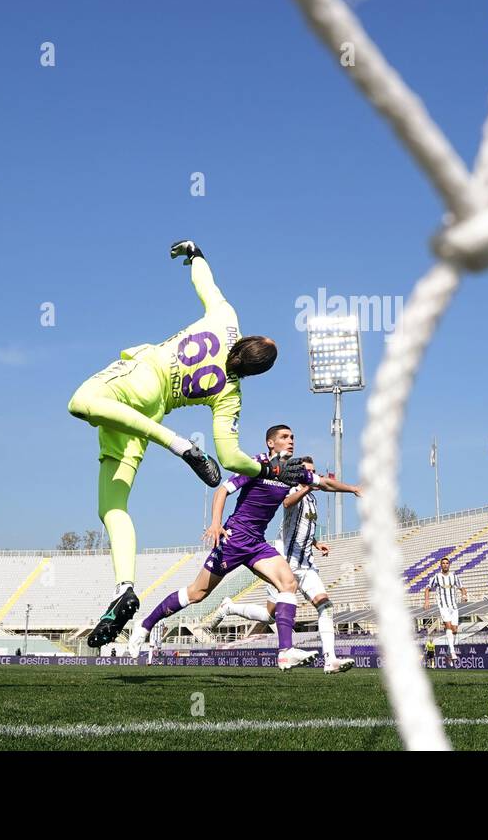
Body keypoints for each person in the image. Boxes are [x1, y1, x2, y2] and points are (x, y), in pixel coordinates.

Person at [68, 241, 285, 647]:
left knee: (80, 402)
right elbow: (230, 457)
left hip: (141, 379)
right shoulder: (231, 394)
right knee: (112, 506)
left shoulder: (226, 321)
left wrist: (196, 255)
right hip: (149, 414)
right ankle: (124, 587)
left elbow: (206, 282)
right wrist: (268, 469)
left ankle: (178, 445)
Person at [129, 425, 355, 669]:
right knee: (197, 593)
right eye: (284, 437)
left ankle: (285, 651)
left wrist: (354, 489)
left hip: (257, 543)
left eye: (292, 437)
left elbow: (325, 484)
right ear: (271, 443)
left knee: (287, 583)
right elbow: (222, 491)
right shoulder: (255, 465)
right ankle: (145, 624)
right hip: (234, 538)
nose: (291, 441)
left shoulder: (292, 472)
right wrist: (216, 524)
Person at [210, 455, 356, 674]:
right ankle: (229, 607)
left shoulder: (312, 500)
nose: (311, 475)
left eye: (312, 471)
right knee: (270, 615)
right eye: (307, 471)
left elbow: (303, 525)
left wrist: (316, 543)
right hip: (283, 563)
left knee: (326, 606)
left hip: (306, 565)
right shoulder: (287, 487)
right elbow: (287, 504)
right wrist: (306, 488)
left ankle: (330, 660)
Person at [423, 557, 467, 666]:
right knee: (448, 626)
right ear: (441, 565)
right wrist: (427, 601)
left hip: (454, 606)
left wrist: (464, 595)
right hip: (443, 606)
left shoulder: (454, 577)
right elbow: (427, 588)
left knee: (455, 630)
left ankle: (448, 653)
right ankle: (452, 652)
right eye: (443, 563)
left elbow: (462, 587)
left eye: (447, 563)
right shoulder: (437, 577)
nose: (445, 565)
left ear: (449, 565)